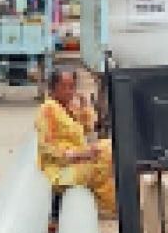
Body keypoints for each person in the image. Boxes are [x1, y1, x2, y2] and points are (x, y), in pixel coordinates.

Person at [36, 71, 115, 215]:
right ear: (53, 88)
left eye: (72, 87)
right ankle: (103, 206)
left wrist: (84, 106)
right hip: (59, 170)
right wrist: (78, 154)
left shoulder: (69, 108)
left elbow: (89, 127)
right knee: (107, 156)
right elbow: (47, 147)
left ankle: (108, 203)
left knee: (111, 146)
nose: (69, 91)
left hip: (77, 163)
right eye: (64, 87)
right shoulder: (48, 110)